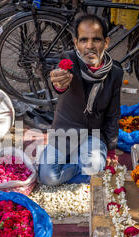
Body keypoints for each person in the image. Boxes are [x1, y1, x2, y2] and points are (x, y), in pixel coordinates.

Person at [38, 14, 123, 186]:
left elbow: (113, 114)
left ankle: (80, 162)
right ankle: (78, 165)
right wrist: (59, 82)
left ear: (106, 43)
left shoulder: (115, 72)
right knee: (48, 177)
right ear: (76, 43)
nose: (89, 46)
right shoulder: (68, 60)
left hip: (94, 134)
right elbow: (60, 81)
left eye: (96, 40)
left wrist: (111, 152)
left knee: (95, 168)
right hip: (65, 132)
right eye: (84, 40)